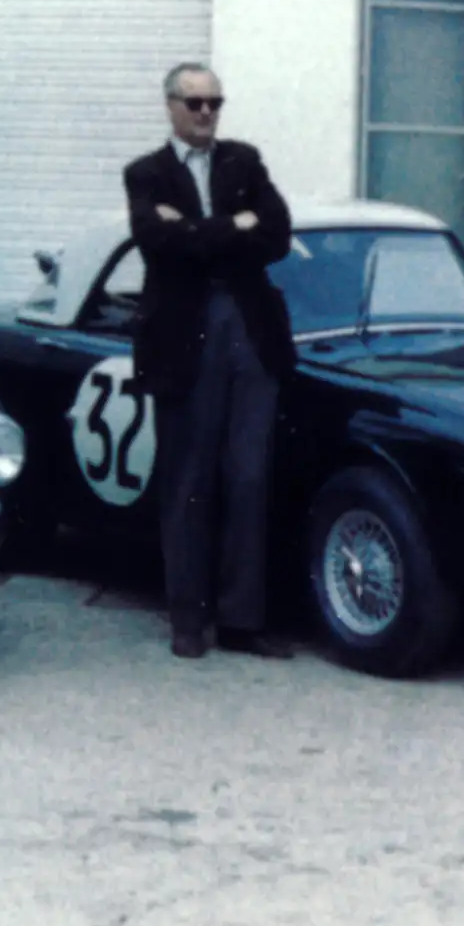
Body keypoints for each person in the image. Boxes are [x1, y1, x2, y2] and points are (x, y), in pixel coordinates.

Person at [124, 62, 298, 661]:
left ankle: (243, 620)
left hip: (249, 331)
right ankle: (188, 619)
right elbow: (158, 242)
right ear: (171, 105)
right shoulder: (146, 173)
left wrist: (201, 229)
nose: (206, 114)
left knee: (248, 476)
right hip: (184, 337)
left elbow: (276, 232)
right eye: (194, 103)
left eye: (215, 103)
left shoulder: (243, 161)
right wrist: (233, 227)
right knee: (189, 480)